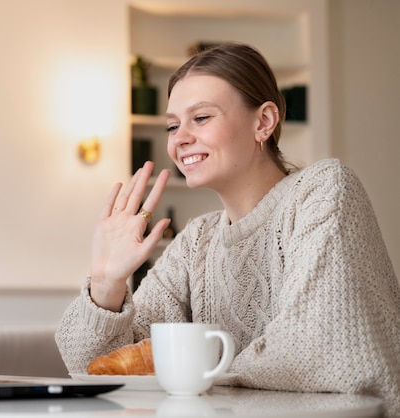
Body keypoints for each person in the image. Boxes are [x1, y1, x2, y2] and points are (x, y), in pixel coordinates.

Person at [55, 42, 400, 417]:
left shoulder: (324, 190)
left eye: (201, 118)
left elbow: (315, 346)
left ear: (264, 122)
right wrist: (107, 285)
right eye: (173, 125)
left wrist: (194, 377)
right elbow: (94, 368)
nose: (179, 138)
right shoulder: (196, 242)